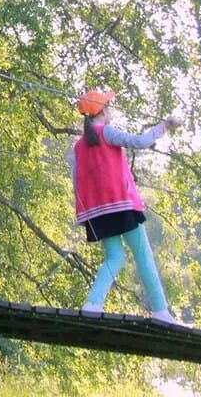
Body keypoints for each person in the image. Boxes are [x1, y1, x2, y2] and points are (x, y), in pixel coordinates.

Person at [68, 88, 183, 324]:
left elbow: (76, 180)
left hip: (97, 212)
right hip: (120, 205)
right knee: (143, 254)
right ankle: (161, 311)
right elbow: (139, 142)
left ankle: (93, 303)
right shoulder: (106, 132)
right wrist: (164, 126)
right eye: (108, 105)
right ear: (103, 111)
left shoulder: (79, 146)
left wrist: (82, 214)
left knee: (115, 257)